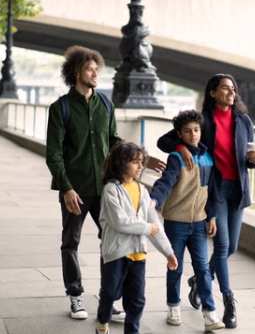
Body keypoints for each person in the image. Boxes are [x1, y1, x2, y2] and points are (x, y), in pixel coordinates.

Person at [46, 46, 165, 320]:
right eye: (90, 69)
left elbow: (113, 142)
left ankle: (108, 298)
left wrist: (142, 158)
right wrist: (66, 188)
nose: (95, 74)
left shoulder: (106, 105)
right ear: (76, 72)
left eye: (97, 69)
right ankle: (75, 295)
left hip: (105, 188)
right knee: (70, 243)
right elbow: (53, 153)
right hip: (74, 189)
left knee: (112, 242)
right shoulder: (60, 108)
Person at [157, 74, 255, 329]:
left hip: (238, 190)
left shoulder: (244, 120)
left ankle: (198, 281)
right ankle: (227, 303)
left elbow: (248, 156)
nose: (231, 93)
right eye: (225, 89)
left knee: (232, 246)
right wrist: (181, 148)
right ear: (213, 92)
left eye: (233, 89)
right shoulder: (204, 120)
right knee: (223, 247)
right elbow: (165, 140)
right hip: (215, 191)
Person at [151, 110, 225, 332]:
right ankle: (174, 306)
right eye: (187, 131)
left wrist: (211, 215)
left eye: (196, 130)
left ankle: (210, 314)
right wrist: (154, 200)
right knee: (175, 266)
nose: (193, 135)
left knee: (202, 268)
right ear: (179, 135)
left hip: (200, 223)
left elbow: (211, 191)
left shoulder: (208, 157)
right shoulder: (176, 157)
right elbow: (166, 181)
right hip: (176, 222)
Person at [96, 142, 178, 334]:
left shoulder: (142, 191)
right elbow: (120, 222)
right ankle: (102, 322)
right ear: (121, 163)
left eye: (141, 162)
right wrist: (147, 228)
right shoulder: (111, 190)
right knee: (109, 293)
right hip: (116, 253)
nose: (140, 166)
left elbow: (155, 225)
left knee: (137, 299)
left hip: (138, 255)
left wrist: (168, 252)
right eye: (135, 162)